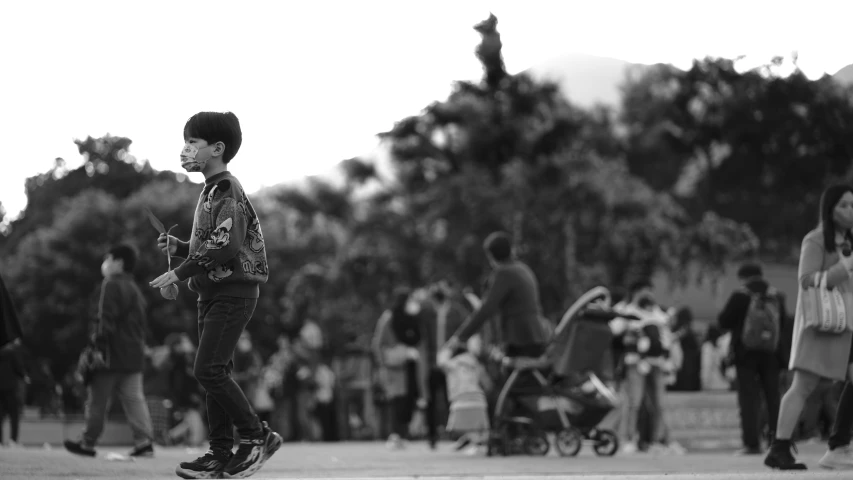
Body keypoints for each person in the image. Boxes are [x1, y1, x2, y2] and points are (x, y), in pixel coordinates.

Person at [150, 111, 281, 479]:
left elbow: (225, 244)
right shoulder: (210, 190)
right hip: (211, 293)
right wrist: (179, 247)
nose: (185, 149)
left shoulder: (226, 187)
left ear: (217, 149)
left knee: (206, 369)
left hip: (233, 292)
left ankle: (257, 437)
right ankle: (219, 453)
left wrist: (179, 270)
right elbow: (205, 243)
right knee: (216, 372)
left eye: (193, 143)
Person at [765, 185, 853, 470]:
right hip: (824, 325)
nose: (850, 211)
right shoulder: (815, 240)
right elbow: (806, 280)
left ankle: (840, 445)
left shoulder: (850, 242)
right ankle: (779, 448)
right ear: (829, 210)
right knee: (803, 385)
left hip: (848, 327)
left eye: (852, 205)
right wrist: (844, 268)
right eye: (843, 205)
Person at [64, 244, 156, 458]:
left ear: (119, 262)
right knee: (135, 400)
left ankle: (88, 443)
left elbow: (105, 319)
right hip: (133, 357)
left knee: (98, 401)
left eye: (109, 258)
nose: (106, 263)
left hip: (110, 355)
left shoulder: (111, 284)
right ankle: (144, 443)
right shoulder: (135, 289)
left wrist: (97, 347)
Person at [718, 263, 788, 455]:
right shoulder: (777, 296)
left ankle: (752, 444)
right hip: (771, 356)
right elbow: (783, 327)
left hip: (745, 356)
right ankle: (777, 442)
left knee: (749, 400)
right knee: (773, 398)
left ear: (743, 277)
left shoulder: (740, 296)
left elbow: (723, 321)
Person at [447, 231, 550, 360]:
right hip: (536, 335)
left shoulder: (503, 273)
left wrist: (460, 337)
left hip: (519, 339)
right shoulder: (523, 269)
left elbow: (486, 309)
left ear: (490, 256)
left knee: (512, 375)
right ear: (511, 250)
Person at [372, 287, 428, 449]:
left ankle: (404, 434)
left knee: (409, 400)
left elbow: (418, 339)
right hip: (394, 368)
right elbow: (378, 344)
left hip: (411, 367)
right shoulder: (389, 318)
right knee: (397, 401)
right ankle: (395, 434)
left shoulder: (413, 317)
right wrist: (388, 360)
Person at [437, 344, 491, 455]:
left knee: (464, 424)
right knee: (477, 425)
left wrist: (448, 346)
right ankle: (472, 441)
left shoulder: (453, 363)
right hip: (479, 399)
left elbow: (441, 361)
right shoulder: (477, 364)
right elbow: (488, 384)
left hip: (460, 400)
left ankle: (476, 443)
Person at [0, 341, 28, 447]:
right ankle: (13, 440)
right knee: (14, 415)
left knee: (0, 415)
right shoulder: (11, 352)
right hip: (10, 387)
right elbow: (18, 368)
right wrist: (24, 376)